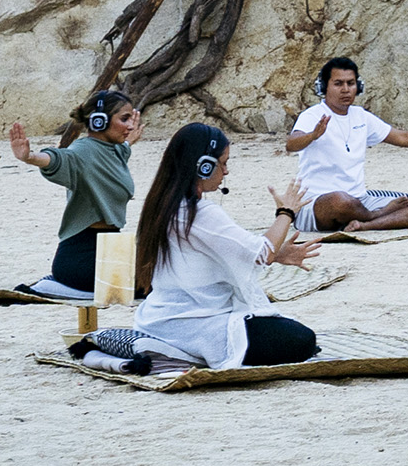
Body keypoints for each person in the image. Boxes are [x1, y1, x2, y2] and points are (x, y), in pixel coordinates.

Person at [122, 121, 325, 370]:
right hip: (197, 324)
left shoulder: (163, 205)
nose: (226, 172)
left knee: (287, 329)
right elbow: (262, 253)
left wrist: (277, 254)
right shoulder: (200, 213)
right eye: (223, 163)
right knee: (302, 339)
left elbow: (232, 250)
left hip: (158, 320)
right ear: (204, 166)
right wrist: (286, 212)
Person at [285, 55, 408, 234]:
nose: (345, 90)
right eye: (338, 84)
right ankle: (376, 215)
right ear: (324, 87)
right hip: (318, 204)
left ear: (358, 87)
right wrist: (313, 135)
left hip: (359, 200)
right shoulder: (311, 116)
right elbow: (291, 144)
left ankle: (365, 225)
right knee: (340, 200)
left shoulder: (361, 116)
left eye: (350, 83)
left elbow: (403, 137)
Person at [6, 88, 138, 301]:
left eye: (132, 118)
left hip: (110, 246)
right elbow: (60, 159)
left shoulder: (114, 150)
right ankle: (48, 287)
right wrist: (30, 157)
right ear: (99, 121)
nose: (130, 125)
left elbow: (123, 150)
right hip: (81, 255)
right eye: (124, 119)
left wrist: (128, 140)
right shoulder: (83, 151)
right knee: (141, 284)